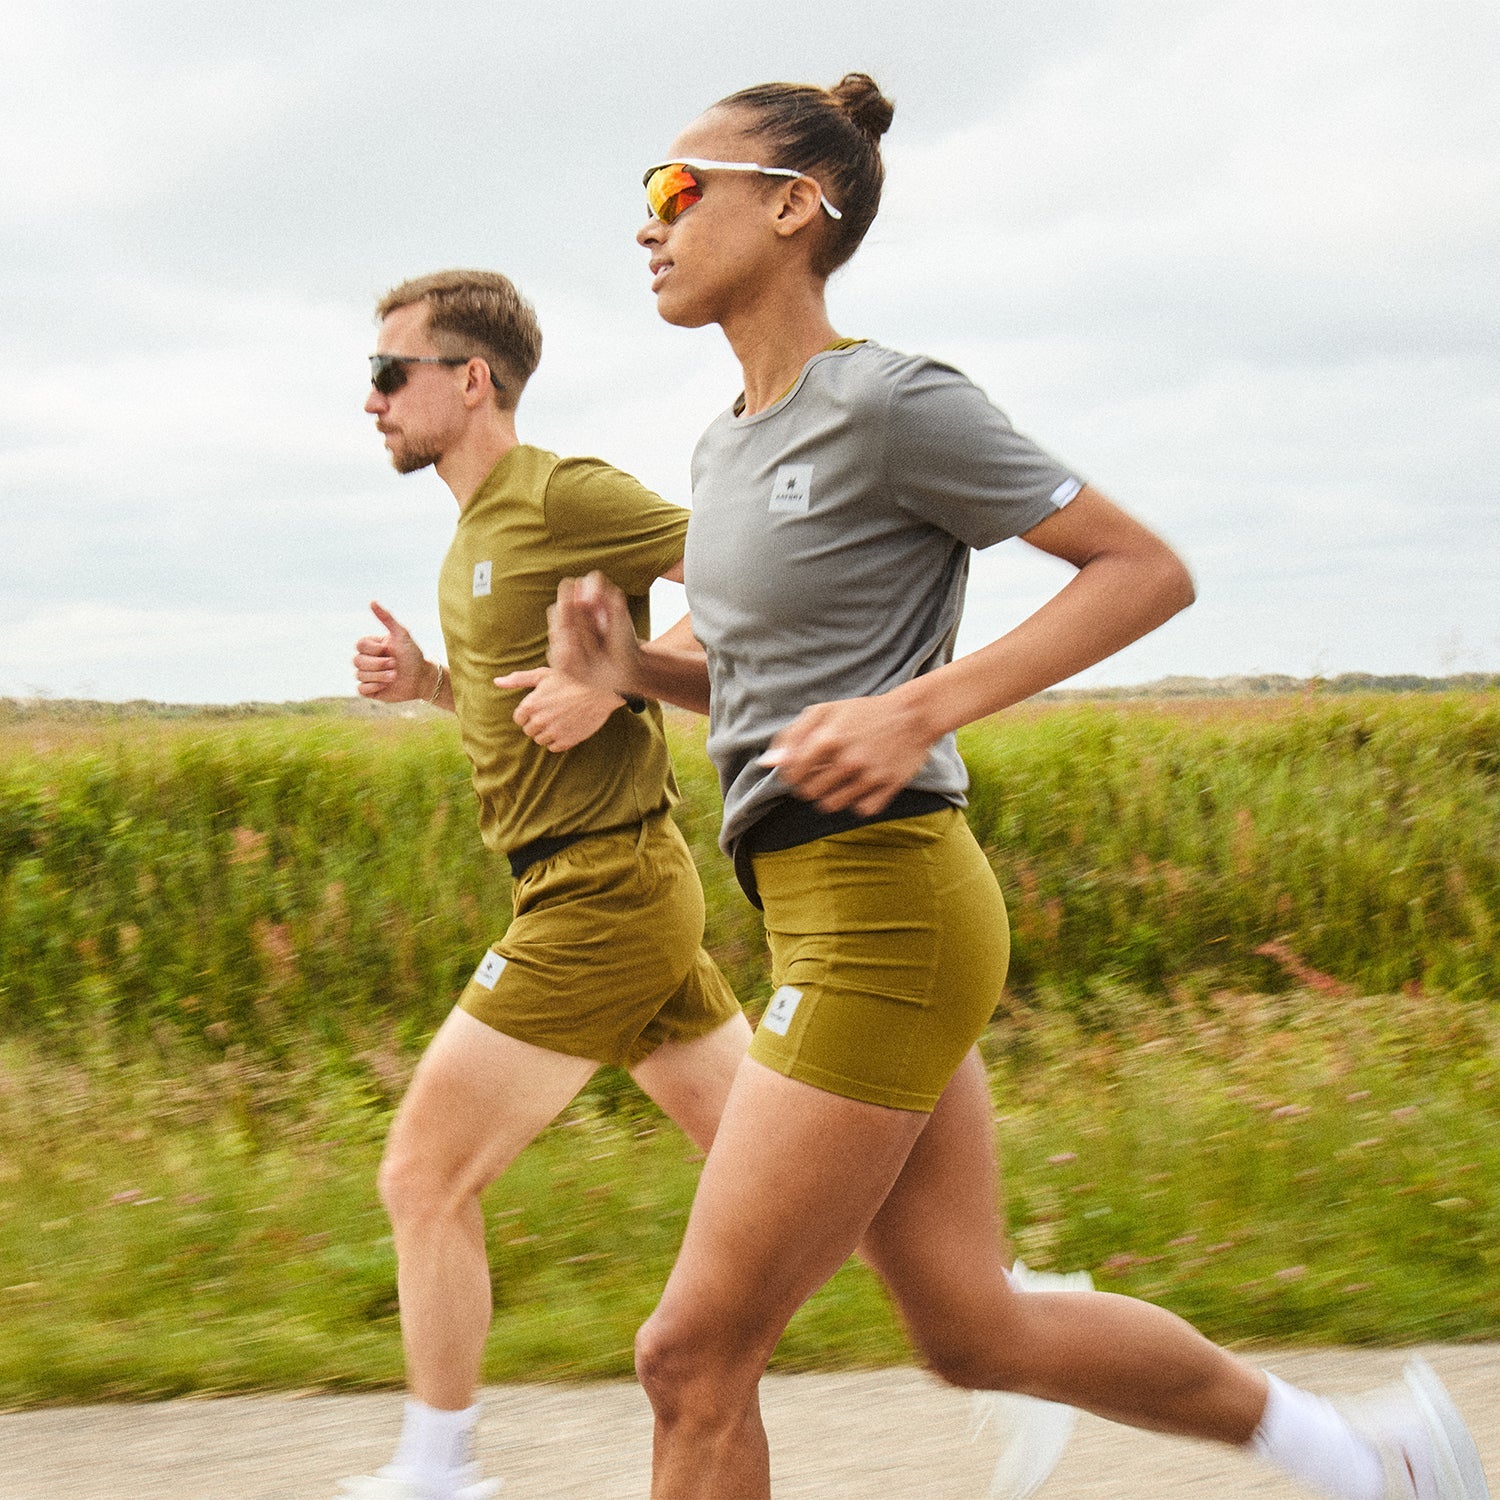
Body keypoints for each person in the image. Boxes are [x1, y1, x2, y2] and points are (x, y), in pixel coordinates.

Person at [546, 76, 1491, 1500]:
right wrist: (635, 669)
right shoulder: (726, 445)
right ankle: (1376, 1456)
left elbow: (1143, 569)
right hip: (819, 910)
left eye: (676, 189)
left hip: (890, 905)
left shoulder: (889, 401)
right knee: (972, 1328)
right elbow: (766, 691)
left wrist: (926, 703)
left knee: (692, 1355)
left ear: (797, 207)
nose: (647, 227)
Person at [337, 269, 750, 1500]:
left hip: (602, 892)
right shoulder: (474, 534)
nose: (370, 401)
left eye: (387, 373)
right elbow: (523, 703)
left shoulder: (560, 492)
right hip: (595, 883)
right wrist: (426, 684)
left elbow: (762, 579)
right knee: (775, 1166)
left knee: (422, 1173)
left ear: (472, 381)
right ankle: (996, 1317)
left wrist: (624, 677)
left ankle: (440, 1472)